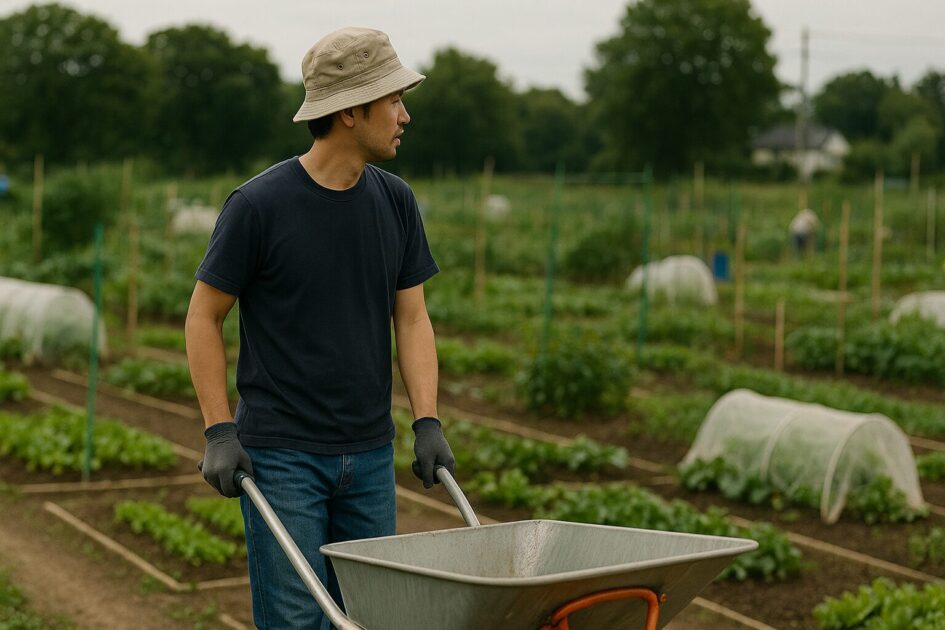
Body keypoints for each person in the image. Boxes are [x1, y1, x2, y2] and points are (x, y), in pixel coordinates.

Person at [184, 27, 455, 629]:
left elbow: (411, 317)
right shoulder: (259, 206)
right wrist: (218, 431)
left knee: (370, 616)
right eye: (393, 100)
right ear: (352, 111)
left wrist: (428, 420)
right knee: (295, 621)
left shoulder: (396, 201)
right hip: (282, 459)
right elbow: (204, 316)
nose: (405, 114)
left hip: (368, 453)